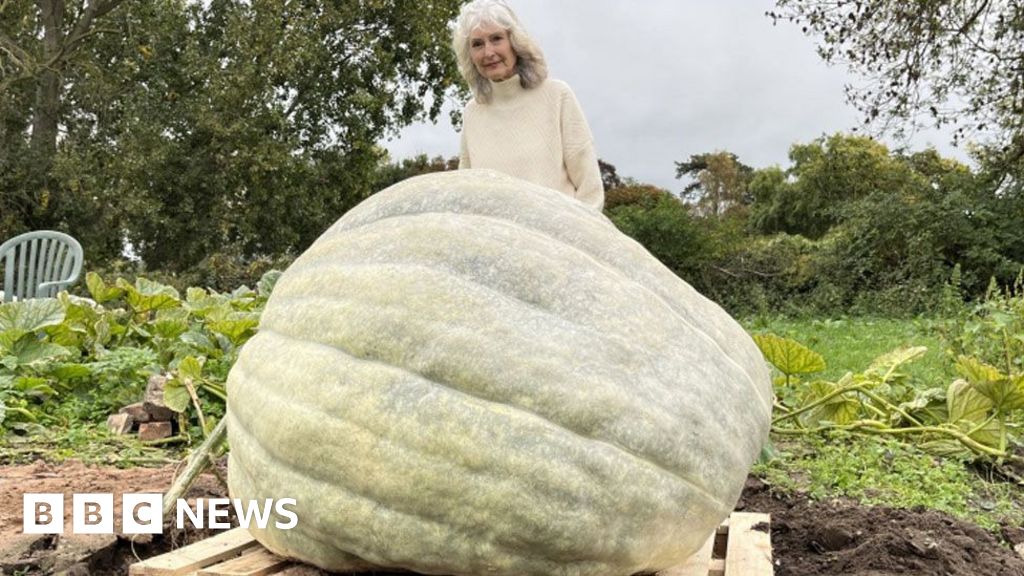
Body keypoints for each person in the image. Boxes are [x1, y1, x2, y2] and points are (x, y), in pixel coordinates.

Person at [452, 0, 605, 211]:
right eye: (477, 44)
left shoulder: (557, 95)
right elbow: (466, 193)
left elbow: (591, 191)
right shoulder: (473, 112)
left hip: (556, 239)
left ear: (514, 43)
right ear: (469, 55)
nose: (488, 52)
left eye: (496, 39)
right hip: (495, 241)